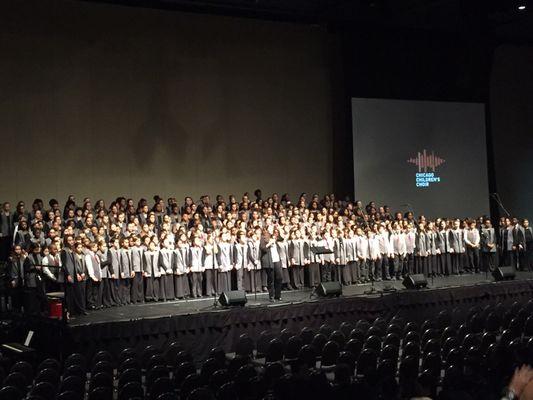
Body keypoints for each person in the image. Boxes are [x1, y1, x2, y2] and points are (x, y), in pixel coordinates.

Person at [260, 227, 282, 301]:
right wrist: (269, 243)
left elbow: (282, 239)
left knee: (279, 277)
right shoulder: (263, 238)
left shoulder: (275, 238)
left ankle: (278, 295)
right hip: (269, 261)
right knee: (271, 279)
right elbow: (263, 248)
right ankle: (271, 296)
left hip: (277, 260)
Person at [85, 242, 103, 310]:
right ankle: (90, 304)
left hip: (97, 275)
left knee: (96, 291)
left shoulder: (96, 255)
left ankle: (96, 304)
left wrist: (100, 275)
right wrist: (92, 276)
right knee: (91, 291)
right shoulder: (88, 256)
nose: (97, 248)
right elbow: (89, 266)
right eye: (95, 247)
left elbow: (99, 266)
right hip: (92, 276)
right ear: (92, 248)